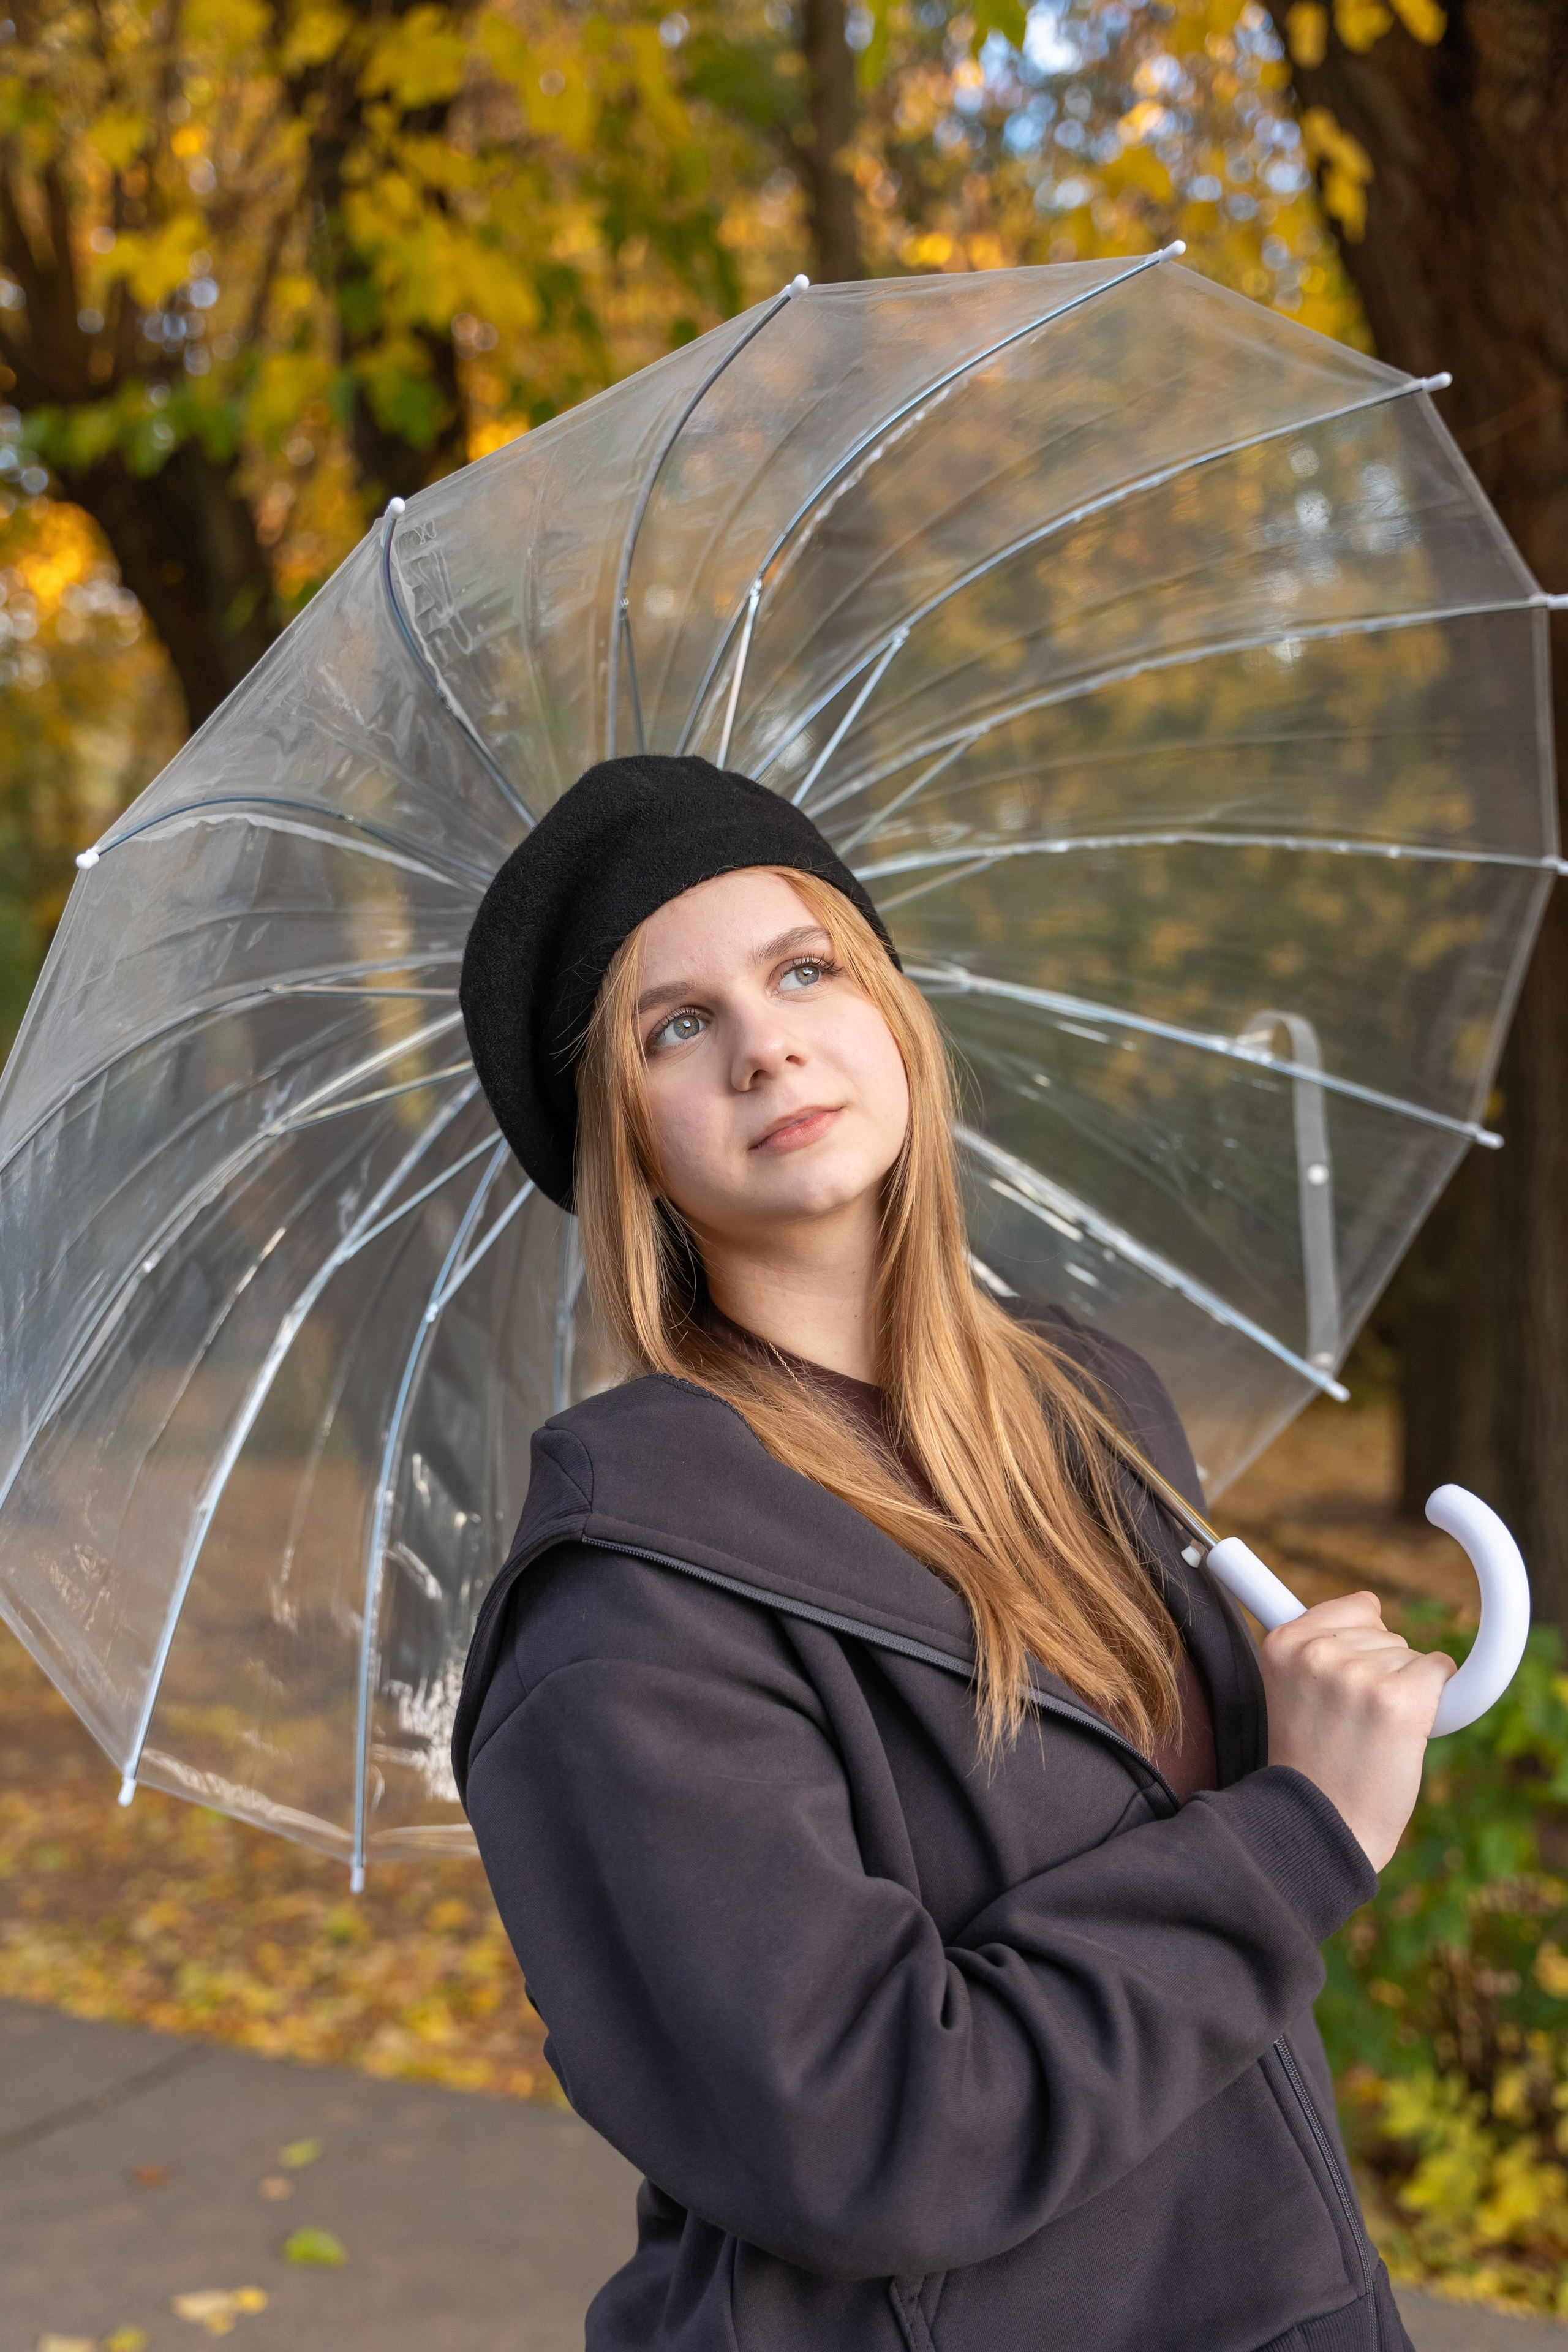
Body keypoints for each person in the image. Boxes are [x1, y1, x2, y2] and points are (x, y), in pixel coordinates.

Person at [452, 753, 1452, 2352]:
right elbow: (869, 2137)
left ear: (888, 1006)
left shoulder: (1088, 1404)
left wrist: (1316, 1723)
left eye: (802, 968)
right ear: (621, 1138)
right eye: (677, 1025)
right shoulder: (625, 1615)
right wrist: (1294, 1837)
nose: (767, 1041)